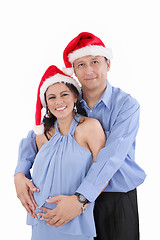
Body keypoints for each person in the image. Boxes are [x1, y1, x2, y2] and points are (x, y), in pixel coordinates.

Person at [14, 32, 146, 240]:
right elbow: (37, 136)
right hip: (73, 198)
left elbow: (111, 157)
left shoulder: (126, 106)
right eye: (81, 64)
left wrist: (81, 200)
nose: (89, 70)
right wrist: (20, 174)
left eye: (95, 61)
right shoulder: (67, 100)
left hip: (113, 198)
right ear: (74, 70)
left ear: (108, 64)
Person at [16, 65, 106, 240]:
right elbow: (24, 155)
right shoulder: (40, 134)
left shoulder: (90, 128)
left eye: (64, 94)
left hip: (74, 219)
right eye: (52, 97)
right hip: (41, 220)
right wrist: (19, 176)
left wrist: (80, 203)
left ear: (75, 96)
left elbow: (103, 172)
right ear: (46, 103)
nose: (58, 102)